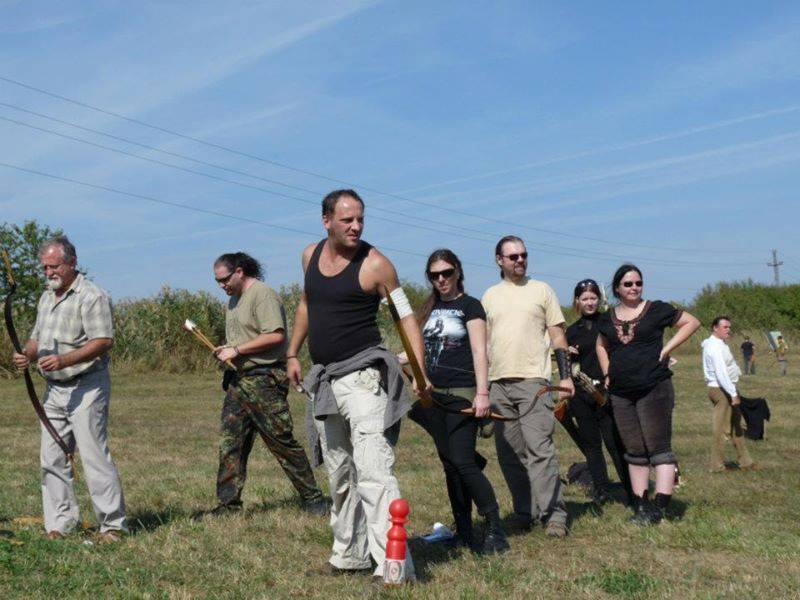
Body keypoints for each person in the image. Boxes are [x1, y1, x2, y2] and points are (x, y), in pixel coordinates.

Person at [286, 189, 429, 580]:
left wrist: (419, 370)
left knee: (374, 472)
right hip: (326, 380)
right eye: (347, 220)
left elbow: (405, 316)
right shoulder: (310, 256)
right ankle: (349, 555)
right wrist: (293, 353)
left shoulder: (376, 264)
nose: (356, 227)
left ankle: (393, 567)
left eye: (360, 219)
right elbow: (306, 304)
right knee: (340, 474)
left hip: (364, 380)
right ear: (326, 221)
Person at [11, 236, 127, 542]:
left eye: (54, 266)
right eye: (45, 268)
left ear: (72, 262)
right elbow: (37, 338)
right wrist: (27, 354)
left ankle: (113, 526)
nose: (49, 273)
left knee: (93, 456)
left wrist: (64, 359)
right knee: (51, 458)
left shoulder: (92, 296)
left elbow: (103, 341)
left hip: (87, 386)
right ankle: (60, 524)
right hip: (54, 390)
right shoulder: (46, 297)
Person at [199, 252, 326, 518]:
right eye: (217, 281)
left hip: (265, 380)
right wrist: (228, 350)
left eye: (225, 279)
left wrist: (237, 349)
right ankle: (228, 505)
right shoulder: (233, 300)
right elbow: (244, 339)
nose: (222, 285)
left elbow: (275, 335)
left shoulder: (263, 294)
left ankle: (313, 499)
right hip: (239, 381)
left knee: (280, 441)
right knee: (231, 443)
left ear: (239, 271)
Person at [407, 249, 508, 554]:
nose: (441, 279)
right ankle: (464, 532)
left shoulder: (470, 306)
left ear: (457, 272)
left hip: (463, 394)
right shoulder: (428, 309)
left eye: (446, 273)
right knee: (450, 465)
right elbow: (420, 349)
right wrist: (410, 368)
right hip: (434, 396)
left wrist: (482, 393)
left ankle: (495, 529)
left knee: (463, 461)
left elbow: (480, 352)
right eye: (434, 275)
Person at [481, 236, 574, 538]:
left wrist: (566, 377)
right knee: (510, 455)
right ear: (499, 260)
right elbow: (484, 344)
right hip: (498, 384)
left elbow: (558, 336)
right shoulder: (489, 296)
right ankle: (525, 512)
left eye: (523, 255)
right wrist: (482, 385)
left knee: (540, 450)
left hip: (534, 382)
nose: (520, 260)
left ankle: (554, 515)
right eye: (513, 256)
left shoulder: (542, 290)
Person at [596, 264, 700, 525]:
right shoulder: (607, 317)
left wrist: (667, 348)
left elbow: (691, 322)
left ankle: (660, 507)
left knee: (659, 448)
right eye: (628, 284)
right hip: (621, 392)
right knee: (634, 450)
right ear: (617, 288)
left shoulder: (656, 309)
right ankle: (641, 506)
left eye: (638, 283)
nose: (634, 288)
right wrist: (608, 373)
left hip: (654, 387)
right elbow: (601, 345)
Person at [566, 279, 632, 505]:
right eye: (585, 298)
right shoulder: (571, 331)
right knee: (591, 444)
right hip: (582, 394)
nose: (589, 302)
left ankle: (631, 488)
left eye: (593, 298)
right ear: (577, 301)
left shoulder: (609, 322)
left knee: (614, 443)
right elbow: (568, 365)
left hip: (606, 392)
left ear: (599, 299)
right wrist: (568, 354)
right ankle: (601, 488)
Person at [701, 316, 757, 472]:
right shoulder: (714, 347)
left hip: (727, 388)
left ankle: (745, 461)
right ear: (715, 328)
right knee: (721, 430)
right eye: (725, 327)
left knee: (736, 426)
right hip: (721, 390)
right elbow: (721, 373)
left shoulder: (720, 343)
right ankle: (716, 465)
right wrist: (733, 393)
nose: (728, 330)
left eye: (729, 327)